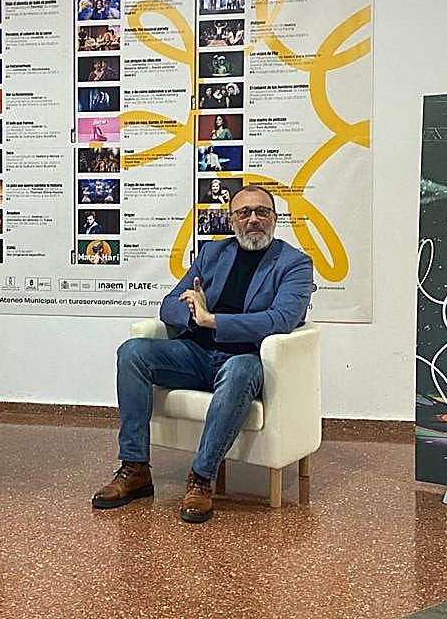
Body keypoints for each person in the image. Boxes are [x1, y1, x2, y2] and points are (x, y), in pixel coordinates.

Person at [91, 185, 313, 523]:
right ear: (232, 219)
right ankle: (135, 468)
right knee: (133, 352)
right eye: (244, 213)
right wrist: (193, 314)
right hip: (195, 354)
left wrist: (214, 320)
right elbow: (169, 305)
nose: (253, 219)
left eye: (262, 212)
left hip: (245, 359)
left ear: (274, 219)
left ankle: (201, 478)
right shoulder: (213, 255)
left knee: (239, 371)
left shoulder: (294, 263)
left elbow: (281, 320)